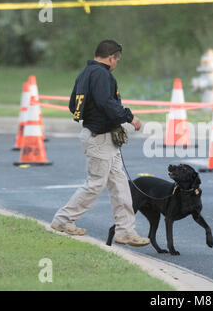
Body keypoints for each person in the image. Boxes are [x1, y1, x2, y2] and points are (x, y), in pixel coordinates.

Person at [51, 40, 150, 247]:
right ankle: (63, 219)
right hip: (99, 138)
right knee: (95, 184)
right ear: (111, 57)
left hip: (99, 135)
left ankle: (125, 231)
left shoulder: (85, 74)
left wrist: (98, 118)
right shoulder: (102, 74)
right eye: (117, 60)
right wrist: (129, 118)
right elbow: (107, 103)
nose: (116, 64)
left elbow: (73, 105)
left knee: (120, 184)